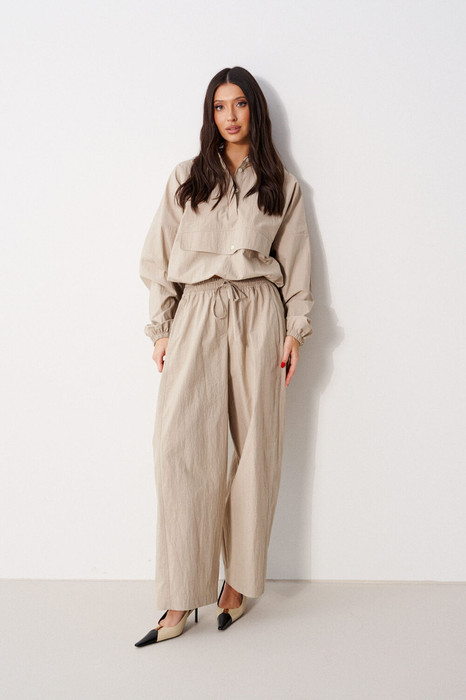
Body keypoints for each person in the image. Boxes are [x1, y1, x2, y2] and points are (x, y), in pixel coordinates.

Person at [134, 66, 314, 647]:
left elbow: (297, 264)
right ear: (209, 115)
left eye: (239, 104)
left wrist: (295, 330)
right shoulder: (187, 178)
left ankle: (236, 584)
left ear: (254, 110)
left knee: (255, 451)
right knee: (179, 448)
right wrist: (162, 328)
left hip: (260, 313)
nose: (230, 116)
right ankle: (180, 596)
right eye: (219, 106)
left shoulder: (281, 185)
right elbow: (158, 259)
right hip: (197, 311)